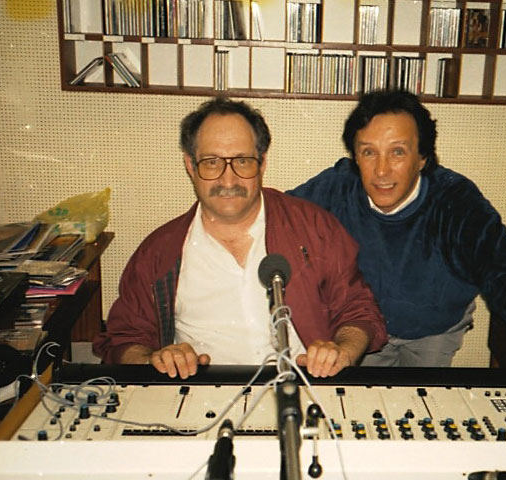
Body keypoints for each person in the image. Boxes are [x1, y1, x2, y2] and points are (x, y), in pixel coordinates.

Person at [288, 90, 506, 440]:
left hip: (434, 330)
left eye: (398, 152)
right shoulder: (335, 188)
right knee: (362, 424)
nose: (381, 170)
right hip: (360, 332)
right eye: (369, 152)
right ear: (355, 157)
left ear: (423, 157)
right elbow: (272, 220)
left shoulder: (457, 202)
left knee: (418, 424)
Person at [93, 97, 386, 380]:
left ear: (262, 163)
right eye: (211, 162)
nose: (228, 180)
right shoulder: (160, 251)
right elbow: (124, 338)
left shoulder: (315, 227)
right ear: (190, 165)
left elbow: (358, 311)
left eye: (243, 161)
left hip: (303, 387)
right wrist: (153, 361)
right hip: (204, 396)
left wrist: (343, 351)